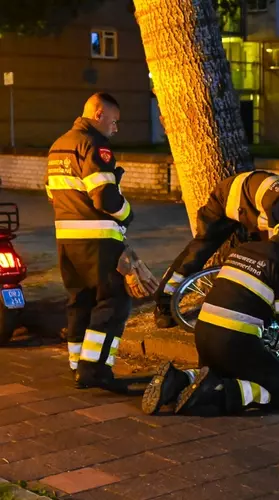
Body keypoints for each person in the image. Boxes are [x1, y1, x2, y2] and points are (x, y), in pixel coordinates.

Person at [141, 215, 279, 416]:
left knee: (222, 370)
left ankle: (178, 379)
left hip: (204, 332)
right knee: (276, 384)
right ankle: (215, 394)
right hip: (235, 339)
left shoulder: (243, 250)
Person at [45, 93, 157, 390]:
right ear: (98, 114)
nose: (115, 128)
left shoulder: (58, 146)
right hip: (98, 240)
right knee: (113, 302)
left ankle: (77, 366)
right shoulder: (94, 145)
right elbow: (106, 198)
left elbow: (51, 194)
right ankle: (96, 370)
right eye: (114, 121)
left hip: (66, 240)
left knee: (79, 302)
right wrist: (128, 214)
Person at [152, 170, 279, 328]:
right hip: (226, 200)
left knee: (256, 259)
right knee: (199, 250)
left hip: (251, 207)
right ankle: (164, 302)